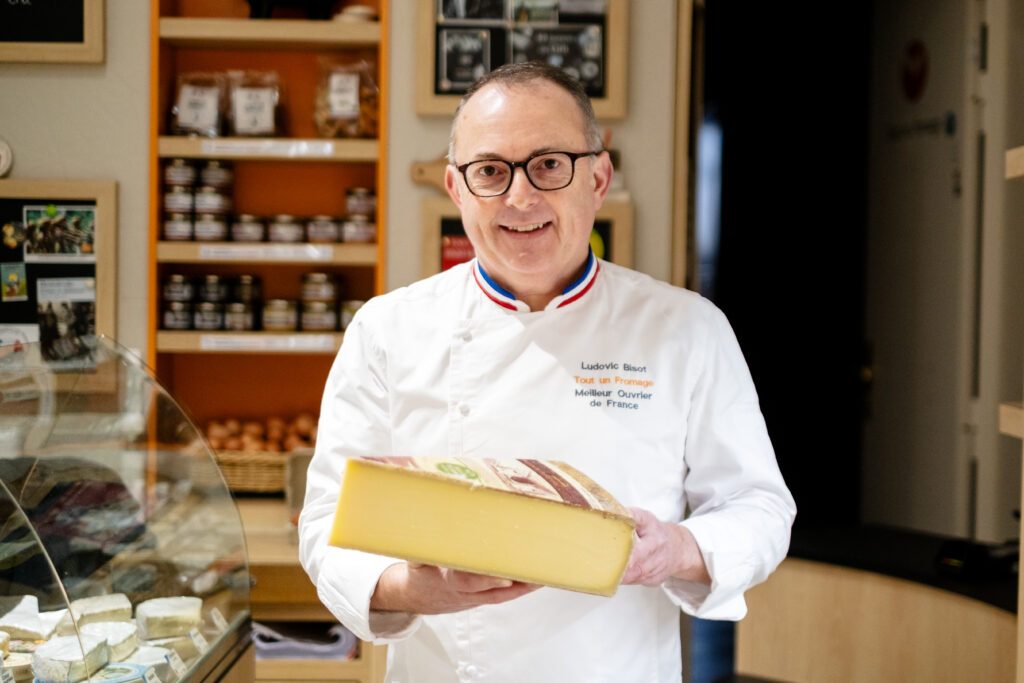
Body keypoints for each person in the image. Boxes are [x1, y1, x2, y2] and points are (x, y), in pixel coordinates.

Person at [299, 61, 796, 682]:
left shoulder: (687, 328)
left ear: (598, 177)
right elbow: (327, 524)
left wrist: (678, 548)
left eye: (549, 164)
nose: (520, 197)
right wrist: (416, 588)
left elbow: (758, 507)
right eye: (490, 171)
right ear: (457, 189)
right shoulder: (388, 331)